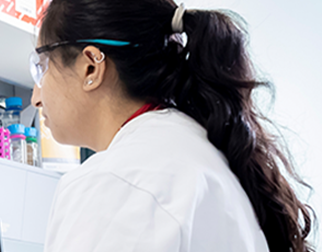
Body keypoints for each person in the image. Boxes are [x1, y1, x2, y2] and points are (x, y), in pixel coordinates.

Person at [29, 0, 314, 251]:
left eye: (42, 66)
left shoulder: (119, 180)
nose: (35, 97)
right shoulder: (201, 153)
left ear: (91, 65)